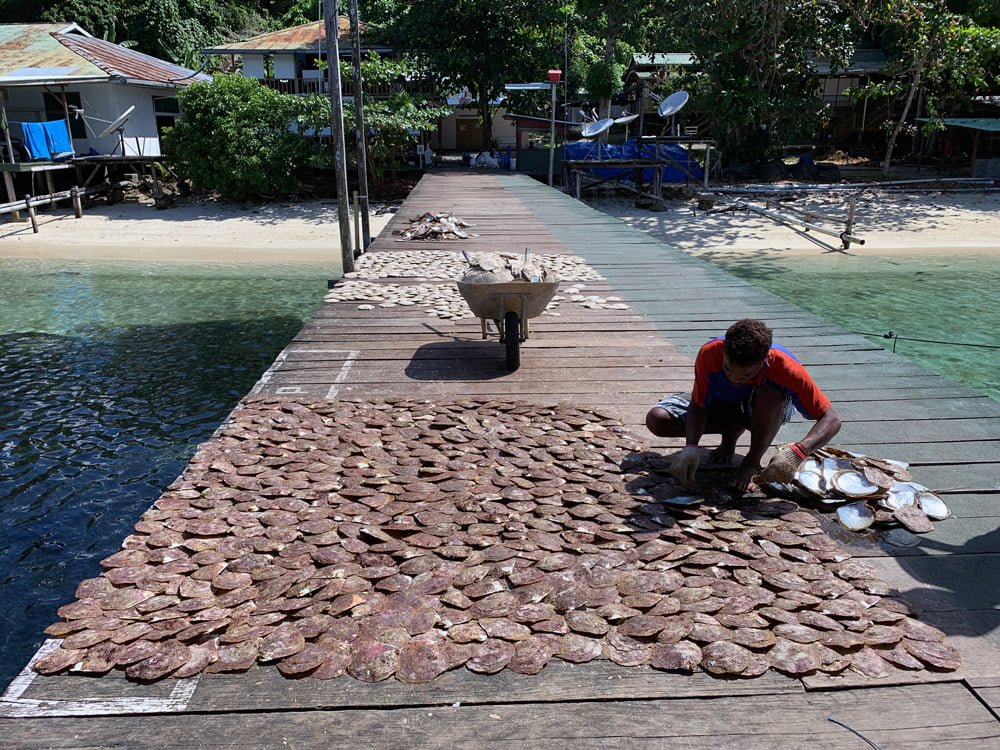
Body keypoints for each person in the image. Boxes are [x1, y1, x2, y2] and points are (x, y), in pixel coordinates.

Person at [646, 318, 841, 492]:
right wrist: (690, 447)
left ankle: (752, 461)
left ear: (765, 360)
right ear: (724, 352)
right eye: (728, 370)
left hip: (762, 409)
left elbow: (831, 419)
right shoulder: (709, 352)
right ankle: (731, 433)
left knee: (770, 395)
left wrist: (798, 451)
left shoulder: (785, 367)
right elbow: (698, 404)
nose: (735, 378)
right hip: (723, 404)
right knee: (657, 419)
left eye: (746, 375)